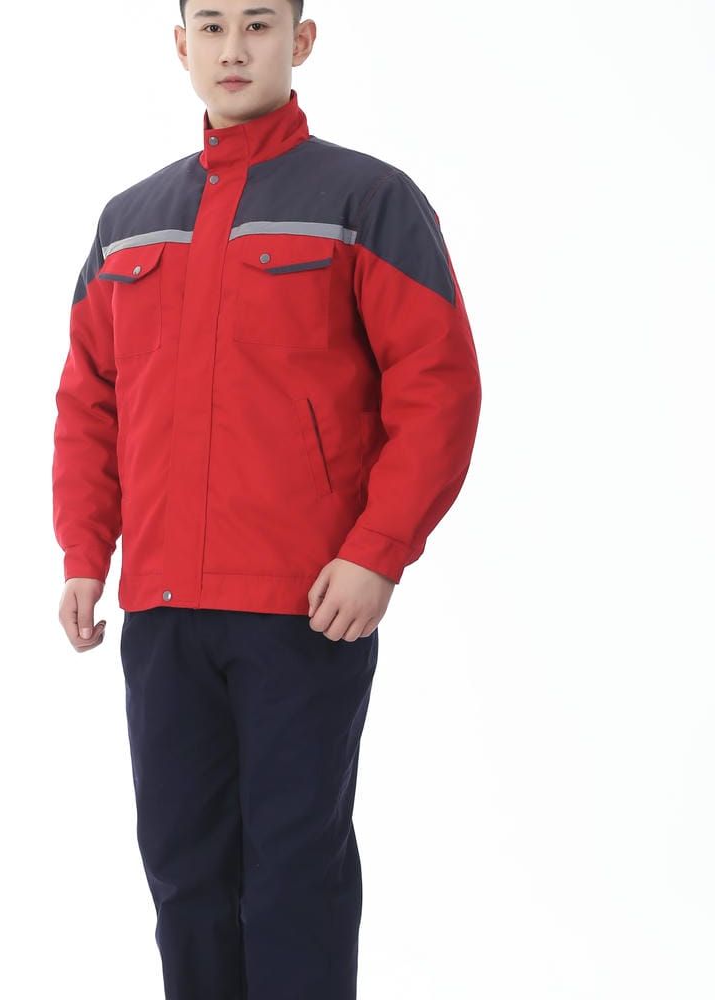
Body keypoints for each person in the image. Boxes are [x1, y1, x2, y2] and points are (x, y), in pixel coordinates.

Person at [51, 2, 482, 996]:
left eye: (258, 23)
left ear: (302, 40)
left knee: (293, 875)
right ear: (181, 45)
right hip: (163, 608)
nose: (233, 48)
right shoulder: (128, 219)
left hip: (305, 605)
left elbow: (439, 386)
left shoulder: (365, 198)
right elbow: (88, 400)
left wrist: (376, 550)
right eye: (210, 26)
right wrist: (84, 551)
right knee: (184, 875)